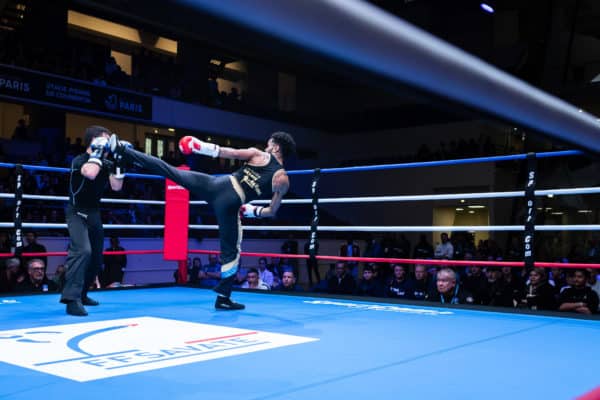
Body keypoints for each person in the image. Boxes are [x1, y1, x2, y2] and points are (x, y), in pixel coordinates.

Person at [109, 131, 295, 310]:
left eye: (270, 144)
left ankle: (123, 151)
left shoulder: (258, 154)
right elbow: (271, 211)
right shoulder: (283, 179)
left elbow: (225, 151)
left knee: (170, 171)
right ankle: (223, 298)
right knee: (232, 252)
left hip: (217, 185)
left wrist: (198, 146)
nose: (267, 146)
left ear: (276, 147)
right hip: (231, 203)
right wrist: (251, 211)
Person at [60, 126, 125, 316]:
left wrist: (119, 161)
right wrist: (98, 152)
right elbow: (90, 173)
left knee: (96, 256)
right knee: (83, 250)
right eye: (105, 140)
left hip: (94, 213)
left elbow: (116, 187)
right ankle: (71, 300)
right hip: (76, 212)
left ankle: (83, 293)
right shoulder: (79, 160)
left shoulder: (105, 163)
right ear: (94, 141)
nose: (108, 144)